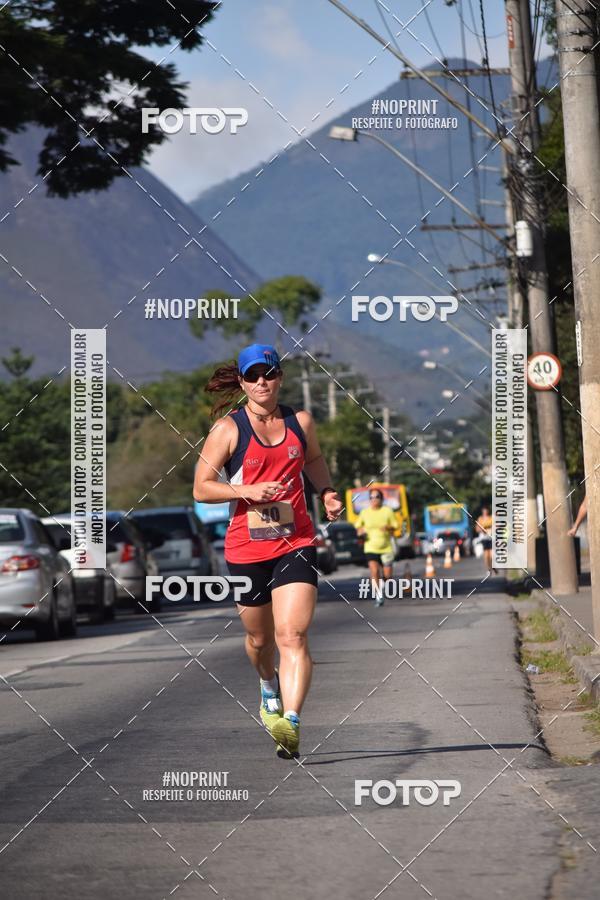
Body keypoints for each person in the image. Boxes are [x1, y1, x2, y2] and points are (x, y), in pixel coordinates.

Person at [193, 343, 343, 759]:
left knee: (292, 635)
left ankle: (291, 722)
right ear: (241, 382)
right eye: (253, 375)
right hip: (246, 547)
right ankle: (267, 683)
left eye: (269, 373)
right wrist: (247, 490)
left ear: (280, 377)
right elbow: (201, 487)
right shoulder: (229, 429)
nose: (263, 382)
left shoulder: (300, 421)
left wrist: (327, 491)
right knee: (259, 640)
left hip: (296, 541)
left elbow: (313, 460)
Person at [354, 488, 396, 606]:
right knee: (374, 570)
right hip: (370, 546)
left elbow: (395, 525)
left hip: (386, 547)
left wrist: (388, 527)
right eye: (371, 497)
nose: (374, 499)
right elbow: (358, 526)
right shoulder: (364, 512)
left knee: (388, 576)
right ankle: (378, 595)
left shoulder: (387, 511)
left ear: (381, 499)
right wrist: (360, 531)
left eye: (377, 497)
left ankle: (383, 584)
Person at [475, 506, 495, 574]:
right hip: (484, 538)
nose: (485, 512)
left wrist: (491, 529)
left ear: (487, 512)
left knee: (491, 555)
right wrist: (482, 530)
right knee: (486, 555)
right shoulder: (480, 519)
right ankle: (488, 569)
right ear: (482, 512)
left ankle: (492, 566)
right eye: (484, 511)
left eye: (486, 511)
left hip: (491, 537)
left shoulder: (491, 518)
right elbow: (477, 529)